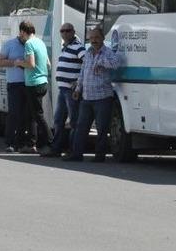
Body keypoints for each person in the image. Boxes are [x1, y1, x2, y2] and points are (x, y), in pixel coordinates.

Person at [65, 28, 121, 162]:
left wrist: (101, 62)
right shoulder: (88, 53)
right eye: (91, 38)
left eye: (96, 37)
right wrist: (78, 90)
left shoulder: (107, 52)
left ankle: (99, 156)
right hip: (87, 98)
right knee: (81, 127)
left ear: (102, 38)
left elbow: (116, 63)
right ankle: (76, 154)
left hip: (103, 98)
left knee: (102, 129)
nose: (94, 40)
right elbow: (83, 73)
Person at [41, 23, 84, 157]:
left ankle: (74, 150)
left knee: (74, 121)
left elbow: (86, 64)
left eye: (68, 31)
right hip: (63, 89)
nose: (65, 33)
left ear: (73, 32)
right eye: (62, 31)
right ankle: (56, 148)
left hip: (71, 91)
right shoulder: (65, 47)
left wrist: (78, 83)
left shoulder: (78, 47)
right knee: (58, 120)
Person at [14, 20, 51, 153]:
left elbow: (31, 64)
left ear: (24, 31)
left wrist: (19, 62)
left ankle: (51, 143)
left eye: (21, 33)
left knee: (38, 116)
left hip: (33, 84)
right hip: (43, 82)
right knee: (30, 115)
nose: (20, 36)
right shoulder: (40, 42)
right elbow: (48, 64)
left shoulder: (29, 44)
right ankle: (31, 144)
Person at [0, 31, 28, 153]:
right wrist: (15, 63)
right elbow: (0, 62)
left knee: (25, 115)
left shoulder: (31, 44)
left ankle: (20, 143)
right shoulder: (9, 44)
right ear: (21, 33)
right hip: (14, 83)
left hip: (29, 84)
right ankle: (9, 142)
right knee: (14, 113)